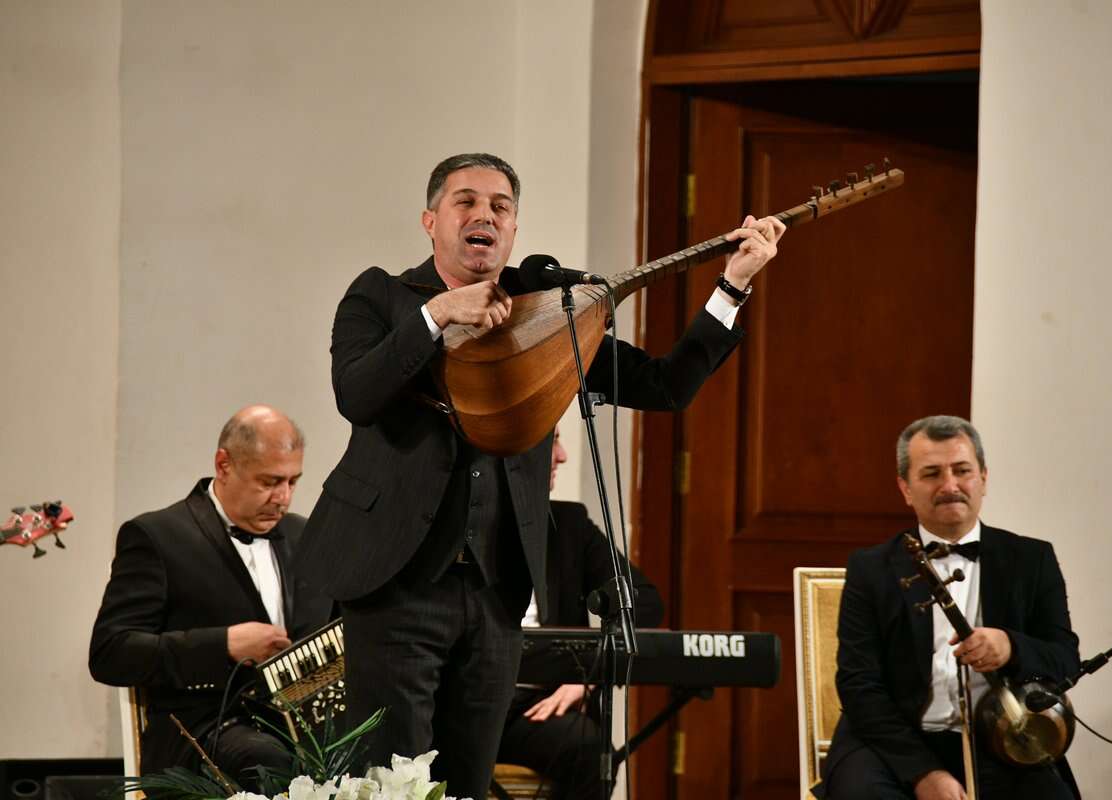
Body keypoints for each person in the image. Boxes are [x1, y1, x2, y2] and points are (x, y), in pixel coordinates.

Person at [294, 152, 784, 799]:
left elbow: (665, 385)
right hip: (395, 584)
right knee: (391, 784)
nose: (485, 215)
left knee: (466, 785)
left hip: (496, 591)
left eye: (501, 207)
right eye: (466, 202)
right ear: (430, 220)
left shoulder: (548, 317)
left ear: (514, 230)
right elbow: (357, 393)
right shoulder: (382, 297)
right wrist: (440, 315)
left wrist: (732, 287)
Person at [816, 415, 1080, 800]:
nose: (950, 485)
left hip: (1001, 739)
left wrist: (1010, 646)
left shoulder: (1032, 559)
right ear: (905, 488)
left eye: (962, 470)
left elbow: (1065, 660)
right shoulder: (870, 569)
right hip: (891, 742)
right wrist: (923, 774)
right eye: (931, 474)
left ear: (983, 478)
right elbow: (859, 685)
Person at [90, 405, 332, 786]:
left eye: (292, 482)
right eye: (269, 482)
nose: (283, 498)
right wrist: (224, 645)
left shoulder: (306, 536)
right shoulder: (158, 537)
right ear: (224, 465)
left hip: (298, 725)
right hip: (202, 729)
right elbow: (110, 653)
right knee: (269, 761)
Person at [495, 429, 664, 800]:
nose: (562, 455)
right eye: (551, 441)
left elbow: (644, 602)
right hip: (469, 701)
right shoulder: (463, 525)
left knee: (589, 749)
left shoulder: (570, 525)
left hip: (536, 709)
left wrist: (587, 675)